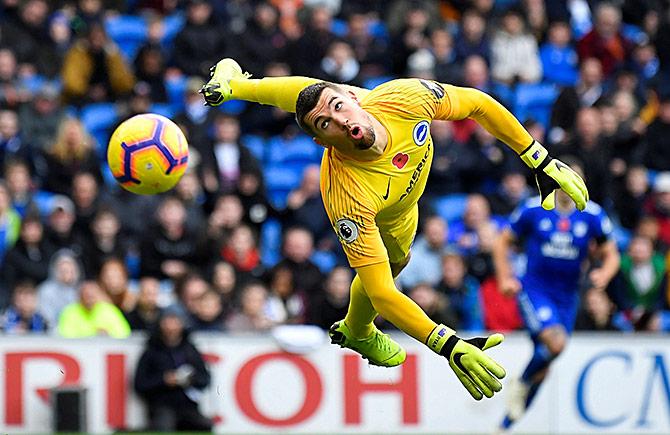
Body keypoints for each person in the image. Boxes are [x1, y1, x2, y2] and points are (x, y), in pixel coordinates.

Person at [200, 57, 589, 400]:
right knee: (388, 266)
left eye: (341, 107)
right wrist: (447, 344)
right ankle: (358, 330)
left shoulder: (401, 99)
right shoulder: (345, 194)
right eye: (327, 125)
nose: (342, 121)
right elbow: (383, 292)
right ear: (322, 143)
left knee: (316, 96)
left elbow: (479, 104)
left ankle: (236, 84)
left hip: (405, 204)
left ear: (355, 98)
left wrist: (540, 159)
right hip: (386, 214)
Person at [492, 163, 619, 430]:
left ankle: (506, 424)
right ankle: (522, 382)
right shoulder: (533, 209)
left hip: (567, 296)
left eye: (577, 179)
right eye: (565, 178)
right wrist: (505, 277)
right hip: (535, 290)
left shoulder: (592, 214)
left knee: (545, 359)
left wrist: (604, 275)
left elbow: (612, 253)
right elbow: (502, 241)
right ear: (556, 180)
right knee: (556, 344)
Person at [134, 307, 213, 432]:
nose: (171, 327)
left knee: (206, 425)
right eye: (167, 321)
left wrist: (190, 379)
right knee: (164, 426)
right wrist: (163, 380)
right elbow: (140, 384)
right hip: (162, 406)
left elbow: (205, 379)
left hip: (187, 406)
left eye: (175, 321)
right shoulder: (151, 351)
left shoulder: (190, 350)